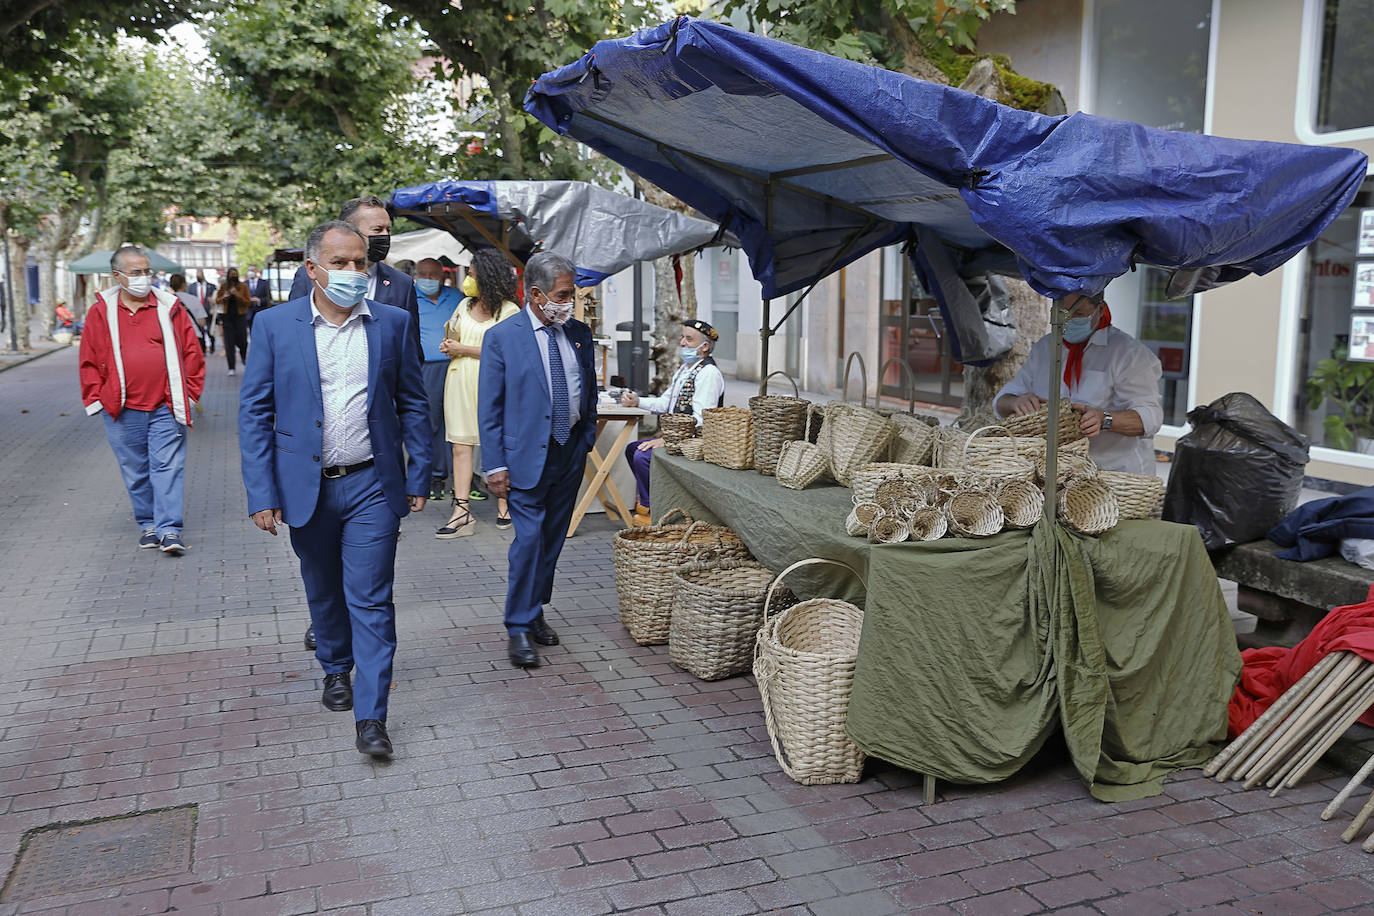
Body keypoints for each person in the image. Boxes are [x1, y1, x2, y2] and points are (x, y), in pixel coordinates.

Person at [238, 220, 432, 760]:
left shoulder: (391, 323)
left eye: (360, 264)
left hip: (372, 482)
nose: (353, 273)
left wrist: (420, 473)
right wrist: (262, 492)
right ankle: (334, 668)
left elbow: (414, 401)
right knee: (323, 590)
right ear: (313, 269)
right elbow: (255, 413)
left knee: (371, 599)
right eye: (341, 264)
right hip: (308, 488)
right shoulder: (275, 326)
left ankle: (372, 718)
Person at [479, 251, 597, 668]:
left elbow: (589, 389)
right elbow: (489, 407)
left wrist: (585, 439)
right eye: (563, 295)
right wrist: (494, 464)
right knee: (528, 542)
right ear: (535, 294)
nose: (570, 302)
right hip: (525, 456)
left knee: (550, 542)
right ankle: (518, 626)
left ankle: (535, 610)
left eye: (572, 294)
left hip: (568, 453)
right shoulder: (502, 337)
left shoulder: (579, 334)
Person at [78, 246, 206, 555]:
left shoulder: (169, 307)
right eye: (136, 273)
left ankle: (169, 529)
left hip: (165, 406)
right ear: (117, 276)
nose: (143, 278)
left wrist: (188, 394)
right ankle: (148, 524)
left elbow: (192, 352)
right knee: (135, 470)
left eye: (147, 271)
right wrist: (97, 397)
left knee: (167, 467)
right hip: (121, 408)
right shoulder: (101, 312)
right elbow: (89, 358)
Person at [994, 291, 1163, 475]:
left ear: (1099, 309)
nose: (1068, 320)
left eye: (1079, 314)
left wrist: (1104, 419)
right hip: (1057, 475)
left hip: (1115, 475)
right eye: (1062, 313)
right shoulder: (1044, 348)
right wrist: (1015, 402)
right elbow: (1002, 401)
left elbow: (1150, 418)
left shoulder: (1129, 354)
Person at [437, 251, 520, 538]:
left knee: (499, 443)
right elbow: (455, 336)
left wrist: (464, 350)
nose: (469, 280)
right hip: (459, 381)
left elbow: (512, 355)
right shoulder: (463, 304)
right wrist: (449, 345)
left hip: (495, 385)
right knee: (460, 446)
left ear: (487, 276)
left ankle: (504, 504)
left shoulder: (510, 312)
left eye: (472, 274)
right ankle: (461, 511)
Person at [289, 195, 420, 359]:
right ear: (350, 231)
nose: (385, 236)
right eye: (378, 230)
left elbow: (411, 351)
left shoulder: (402, 283)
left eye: (388, 230)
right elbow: (293, 331)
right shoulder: (309, 275)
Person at [620, 319, 726, 521]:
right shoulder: (686, 369)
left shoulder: (708, 373)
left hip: (694, 444)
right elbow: (664, 403)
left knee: (643, 457)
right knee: (632, 449)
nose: (683, 343)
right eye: (682, 338)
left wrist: (667, 441)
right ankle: (653, 502)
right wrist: (637, 401)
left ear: (704, 347)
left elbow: (703, 419)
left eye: (689, 339)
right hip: (678, 440)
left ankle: (655, 510)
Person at [413, 258, 458, 502]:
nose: (428, 279)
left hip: (455, 365)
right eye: (423, 274)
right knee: (430, 423)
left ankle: (461, 478)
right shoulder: (410, 297)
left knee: (456, 423)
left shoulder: (456, 297)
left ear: (442, 276)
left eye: (433, 275)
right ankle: (434, 477)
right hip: (425, 368)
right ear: (416, 275)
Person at [216, 267, 252, 376]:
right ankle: (231, 367)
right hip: (227, 318)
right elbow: (217, 300)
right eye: (231, 274)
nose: (233, 276)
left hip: (240, 317)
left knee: (243, 342)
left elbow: (247, 301)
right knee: (229, 344)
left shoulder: (243, 286)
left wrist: (236, 294)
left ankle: (244, 359)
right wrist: (224, 297)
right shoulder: (223, 287)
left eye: (235, 274)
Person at [169, 273, 208, 350]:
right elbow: (202, 322)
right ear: (184, 284)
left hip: (174, 338)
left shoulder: (167, 300)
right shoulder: (194, 299)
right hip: (194, 335)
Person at [189, 271, 217, 353]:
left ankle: (212, 346)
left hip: (208, 311)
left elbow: (215, 298)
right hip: (197, 312)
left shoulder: (211, 286)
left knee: (209, 330)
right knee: (200, 331)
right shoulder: (191, 287)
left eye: (200, 275)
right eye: (197, 276)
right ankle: (203, 349)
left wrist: (212, 300)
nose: (199, 277)